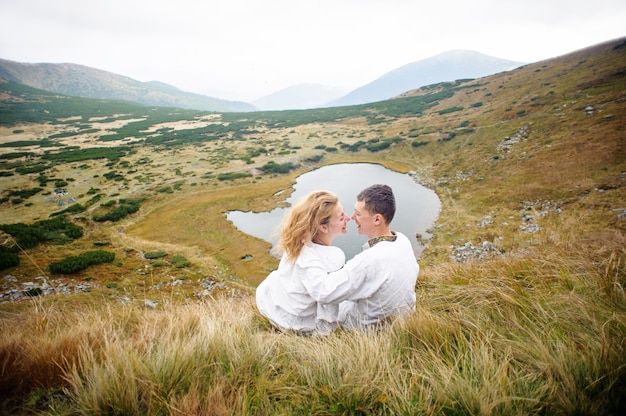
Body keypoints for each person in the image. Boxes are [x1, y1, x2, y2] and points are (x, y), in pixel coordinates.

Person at [255, 190, 351, 335]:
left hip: (275, 308)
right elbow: (326, 296)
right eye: (341, 217)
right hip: (298, 324)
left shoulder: (298, 242)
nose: (348, 219)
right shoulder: (333, 257)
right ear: (323, 227)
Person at [332, 184, 420, 329]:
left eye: (358, 214)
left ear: (377, 220)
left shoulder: (369, 259)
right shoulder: (402, 240)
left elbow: (329, 292)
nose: (352, 218)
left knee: (331, 303)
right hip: (405, 317)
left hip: (371, 331)